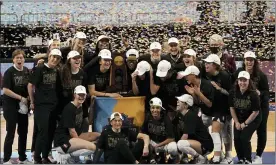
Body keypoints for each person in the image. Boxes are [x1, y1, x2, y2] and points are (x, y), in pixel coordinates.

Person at [233, 51, 270, 164]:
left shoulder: (261, 75)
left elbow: (267, 92)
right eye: (247, 59)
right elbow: (234, 86)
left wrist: (260, 93)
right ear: (244, 60)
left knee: (261, 130)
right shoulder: (239, 72)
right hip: (244, 107)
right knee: (241, 134)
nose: (249, 62)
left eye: (251, 60)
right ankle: (243, 157)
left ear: (255, 61)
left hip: (261, 107)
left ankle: (258, 156)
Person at [28, 49, 63, 164]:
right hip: (41, 106)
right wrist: (32, 102)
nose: (55, 59)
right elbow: (30, 85)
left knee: (50, 132)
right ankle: (37, 158)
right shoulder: (40, 69)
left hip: (53, 106)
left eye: (58, 58)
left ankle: (45, 156)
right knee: (42, 132)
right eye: (53, 57)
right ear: (49, 56)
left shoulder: (56, 71)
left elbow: (58, 89)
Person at [2, 49, 32, 164]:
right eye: (17, 58)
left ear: (24, 59)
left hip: (23, 106)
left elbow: (29, 87)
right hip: (10, 106)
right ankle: (6, 159)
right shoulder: (9, 72)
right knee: (11, 133)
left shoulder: (26, 71)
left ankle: (22, 157)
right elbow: (5, 90)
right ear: (13, 60)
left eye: (21, 57)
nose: (19, 59)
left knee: (23, 133)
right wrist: (20, 98)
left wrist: (29, 98)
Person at [203, 54, 232, 163]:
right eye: (205, 63)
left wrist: (219, 89)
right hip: (213, 109)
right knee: (216, 132)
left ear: (215, 65)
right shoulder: (206, 75)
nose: (206, 64)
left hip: (224, 109)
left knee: (225, 134)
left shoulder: (224, 75)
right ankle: (218, 155)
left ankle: (228, 155)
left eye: (208, 63)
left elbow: (231, 94)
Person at [54, 85, 100, 154]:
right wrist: (86, 143)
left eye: (83, 95)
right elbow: (72, 132)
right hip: (64, 140)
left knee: (99, 136)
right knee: (92, 146)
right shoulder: (69, 108)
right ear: (74, 95)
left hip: (75, 136)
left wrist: (92, 105)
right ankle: (66, 157)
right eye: (79, 95)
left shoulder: (82, 106)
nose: (81, 97)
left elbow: (89, 121)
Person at [229, 71, 261, 164]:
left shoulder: (253, 94)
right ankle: (241, 158)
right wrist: (237, 122)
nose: (242, 83)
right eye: (240, 80)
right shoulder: (233, 93)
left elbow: (255, 112)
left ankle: (248, 160)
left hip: (253, 119)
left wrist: (245, 124)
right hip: (239, 118)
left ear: (249, 81)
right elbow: (232, 108)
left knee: (244, 137)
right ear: (237, 81)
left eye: (245, 80)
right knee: (237, 138)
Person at [173, 94, 214, 164]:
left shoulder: (190, 116)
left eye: (180, 101)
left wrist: (176, 150)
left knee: (180, 144)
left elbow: (185, 136)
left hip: (205, 145)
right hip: (197, 143)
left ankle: (200, 158)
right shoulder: (181, 115)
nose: (177, 102)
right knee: (179, 143)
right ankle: (197, 158)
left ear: (186, 105)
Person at [141, 97, 178, 163]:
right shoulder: (148, 116)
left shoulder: (166, 119)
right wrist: (148, 144)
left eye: (157, 108)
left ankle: (173, 159)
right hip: (152, 142)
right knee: (141, 141)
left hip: (164, 144)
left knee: (173, 147)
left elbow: (171, 138)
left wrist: (158, 146)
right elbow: (143, 132)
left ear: (160, 109)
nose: (155, 110)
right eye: (153, 108)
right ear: (150, 109)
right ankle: (151, 159)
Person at [60, 50, 89, 132]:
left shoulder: (83, 74)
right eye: (74, 58)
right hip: (66, 105)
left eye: (79, 58)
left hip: (79, 104)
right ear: (69, 61)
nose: (77, 60)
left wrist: (85, 113)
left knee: (84, 124)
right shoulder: (63, 72)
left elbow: (84, 91)